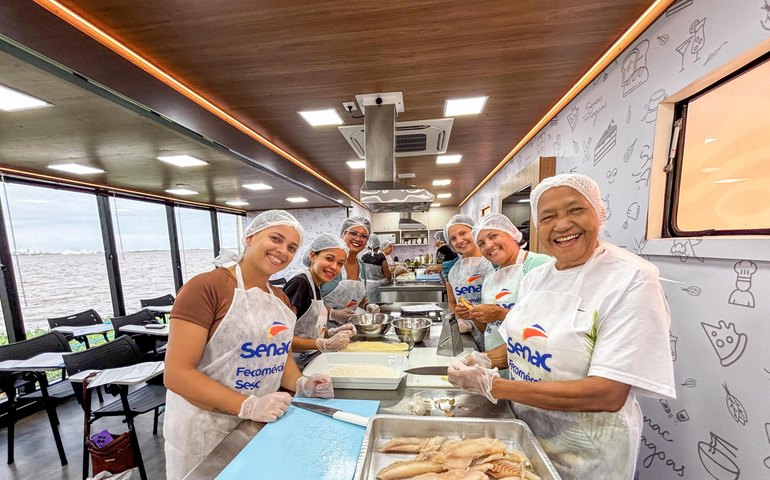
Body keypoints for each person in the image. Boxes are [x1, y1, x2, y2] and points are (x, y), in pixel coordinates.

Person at [448, 174, 675, 479]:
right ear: (538, 226)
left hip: (590, 451)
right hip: (529, 433)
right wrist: (488, 359)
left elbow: (608, 393)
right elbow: (525, 346)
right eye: (549, 216)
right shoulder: (537, 277)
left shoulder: (630, 279)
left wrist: (494, 385)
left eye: (575, 210)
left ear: (599, 212)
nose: (563, 224)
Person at [163, 210, 334, 479]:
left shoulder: (279, 299)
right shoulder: (206, 288)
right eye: (275, 239)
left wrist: (300, 382)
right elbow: (177, 374)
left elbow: (277, 354)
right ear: (250, 237)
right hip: (205, 431)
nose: (283, 251)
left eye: (291, 247)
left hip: (257, 425)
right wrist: (248, 405)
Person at [465, 213, 551, 351]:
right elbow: (488, 330)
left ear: (511, 234)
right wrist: (473, 315)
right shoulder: (489, 279)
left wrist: (501, 314)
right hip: (496, 365)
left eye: (493, 236)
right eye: (481, 243)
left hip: (531, 362)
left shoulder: (541, 266)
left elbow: (550, 326)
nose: (488, 246)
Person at [283, 233, 357, 368]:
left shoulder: (315, 284)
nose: (334, 267)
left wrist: (333, 333)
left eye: (340, 263)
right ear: (312, 256)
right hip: (293, 366)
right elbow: (280, 337)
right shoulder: (300, 284)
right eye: (329, 259)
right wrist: (324, 343)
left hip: (311, 361)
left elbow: (307, 330)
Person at [320, 216, 381, 324]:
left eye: (363, 236)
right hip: (320, 330)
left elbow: (357, 297)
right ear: (343, 234)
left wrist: (367, 305)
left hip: (347, 329)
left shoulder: (361, 265)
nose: (358, 239)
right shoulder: (330, 263)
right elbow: (309, 300)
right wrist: (333, 314)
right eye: (353, 233)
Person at [443, 214, 495, 334]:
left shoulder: (493, 262)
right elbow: (452, 302)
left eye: (463, 233)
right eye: (453, 238)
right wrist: (460, 320)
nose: (459, 241)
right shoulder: (453, 270)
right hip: (469, 334)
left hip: (496, 330)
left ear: (474, 232)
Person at [361, 236, 392, 303]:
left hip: (366, 287)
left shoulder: (363, 256)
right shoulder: (381, 257)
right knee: (379, 308)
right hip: (379, 288)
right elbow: (388, 276)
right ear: (378, 245)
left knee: (369, 307)